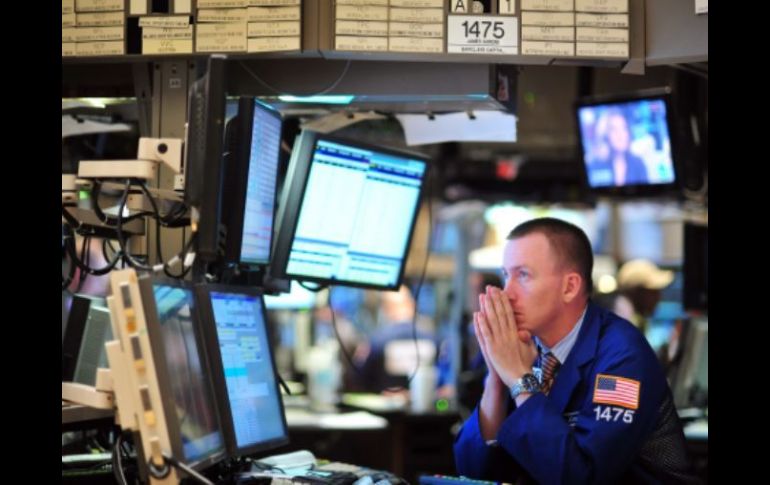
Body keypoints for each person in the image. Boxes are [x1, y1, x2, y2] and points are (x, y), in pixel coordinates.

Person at [454, 218, 695, 484]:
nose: (507, 292)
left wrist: (519, 378)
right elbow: (470, 472)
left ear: (569, 287)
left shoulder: (623, 355)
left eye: (523, 275)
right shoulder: (524, 348)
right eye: (506, 275)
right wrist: (497, 379)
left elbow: (580, 478)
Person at [356, 285, 438, 394]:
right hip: (422, 400)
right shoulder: (432, 338)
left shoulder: (378, 340)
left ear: (386, 309)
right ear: (412, 304)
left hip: (386, 400)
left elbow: (361, 376)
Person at [613, 258, 675, 336]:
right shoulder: (626, 325)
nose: (659, 297)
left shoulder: (630, 319)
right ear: (636, 292)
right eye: (653, 292)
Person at [587, 110, 649, 187]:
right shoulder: (595, 166)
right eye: (614, 130)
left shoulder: (638, 164)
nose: (620, 135)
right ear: (605, 135)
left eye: (624, 128)